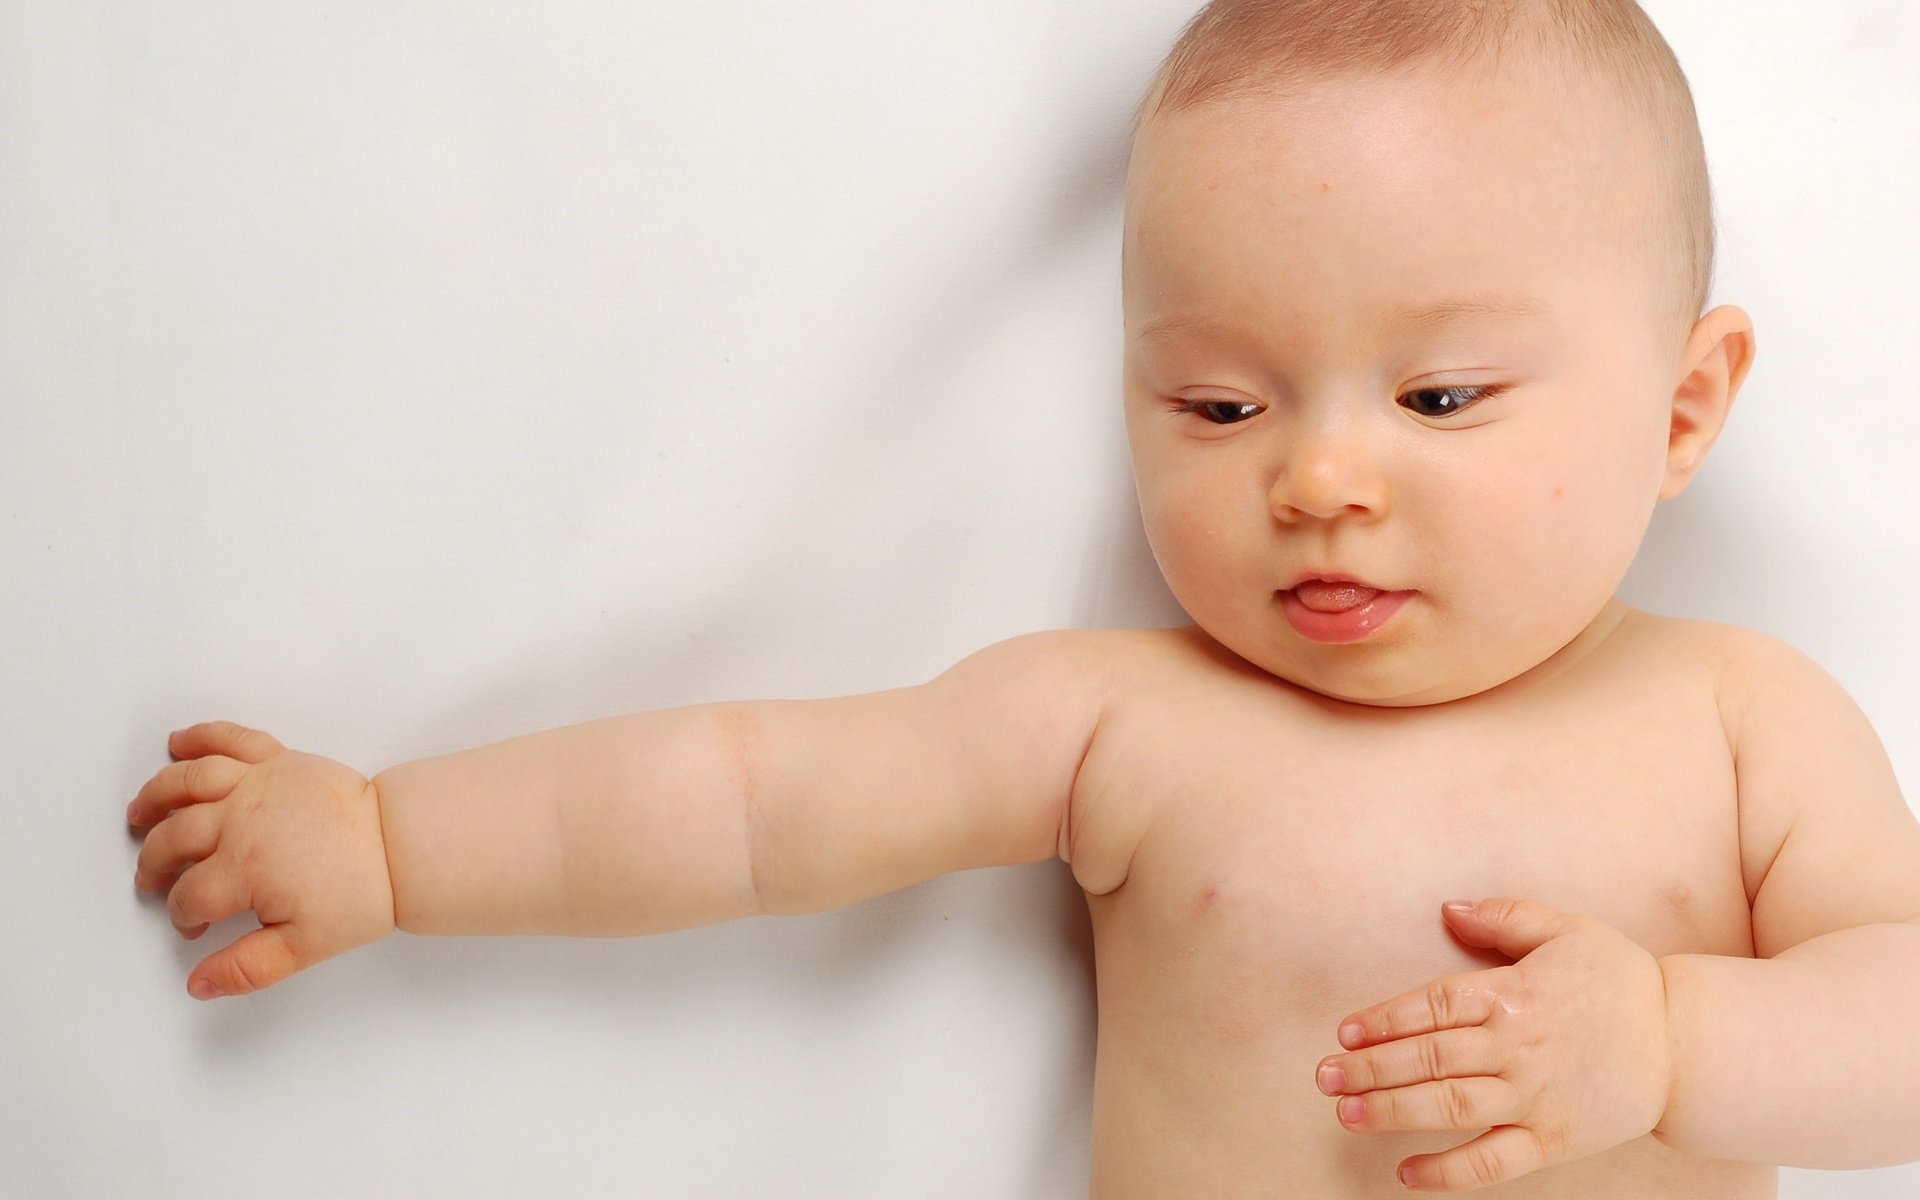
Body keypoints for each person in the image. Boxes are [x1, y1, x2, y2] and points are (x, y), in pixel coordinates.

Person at [127, 1, 1920, 1194]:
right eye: (1217, 407)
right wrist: (389, 843)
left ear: (1682, 410)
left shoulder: (1739, 723)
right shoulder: (1122, 722)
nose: (1315, 478)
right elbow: (756, 801)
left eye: (1439, 399)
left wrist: (1676, 1042)